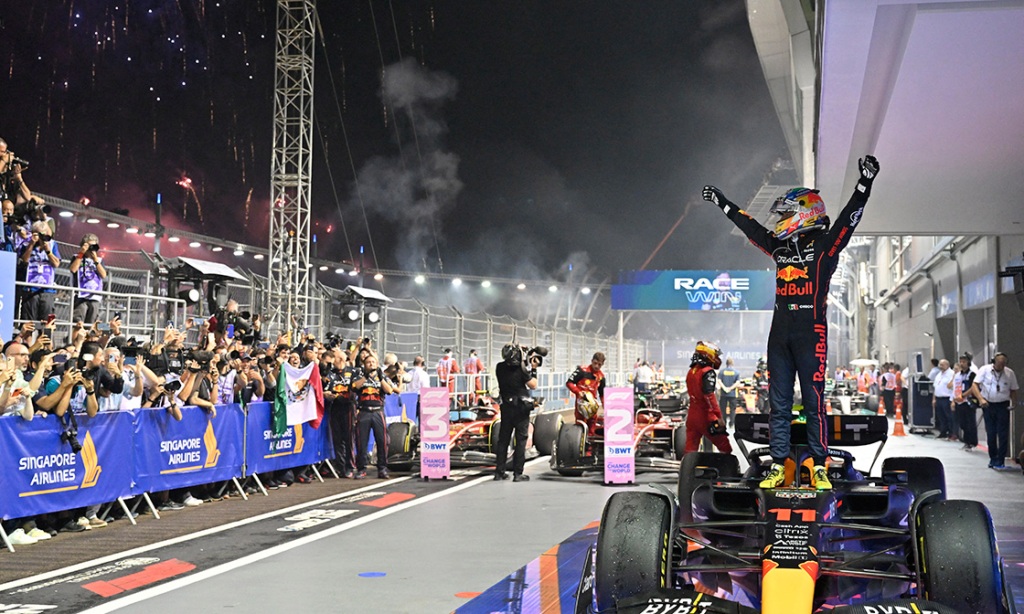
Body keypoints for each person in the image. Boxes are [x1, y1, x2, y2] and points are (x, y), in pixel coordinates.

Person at [703, 154, 879, 490]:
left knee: (814, 403)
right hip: (779, 336)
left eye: (786, 212)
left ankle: (818, 465)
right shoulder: (779, 248)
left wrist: (864, 183)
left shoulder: (826, 247)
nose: (781, 218)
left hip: (811, 334)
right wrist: (723, 204)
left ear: (805, 212)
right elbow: (751, 227)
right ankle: (779, 466)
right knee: (778, 406)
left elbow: (848, 221)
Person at [493, 344, 539, 482]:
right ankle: (518, 473)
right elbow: (534, 385)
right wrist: (534, 369)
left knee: (503, 440)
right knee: (520, 440)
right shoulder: (522, 370)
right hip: (521, 409)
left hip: (506, 407)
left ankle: (499, 472)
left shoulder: (499, 367)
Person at [971, 352, 1019, 469]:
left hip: (1003, 405)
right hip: (988, 404)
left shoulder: (1009, 373)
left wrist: (1014, 403)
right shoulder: (984, 370)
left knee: (1003, 433)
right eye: (999, 363)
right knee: (991, 433)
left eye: (1003, 363)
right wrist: (981, 399)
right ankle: (993, 458)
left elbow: (1013, 390)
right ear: (994, 362)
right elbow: (974, 385)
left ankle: (1000, 460)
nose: (1001, 365)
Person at [684, 341, 732, 455]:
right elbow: (709, 396)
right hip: (706, 415)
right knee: (725, 446)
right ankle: (727, 470)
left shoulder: (691, 371)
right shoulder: (707, 372)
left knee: (690, 450)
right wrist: (719, 417)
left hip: (691, 415)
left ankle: (687, 471)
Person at [352, 353, 394, 479]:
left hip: (377, 411)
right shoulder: (359, 375)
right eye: (369, 362)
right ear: (364, 364)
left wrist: (381, 378)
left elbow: (390, 391)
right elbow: (354, 387)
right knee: (361, 441)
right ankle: (361, 468)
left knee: (382, 441)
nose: (371, 364)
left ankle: (382, 468)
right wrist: (365, 376)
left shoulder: (381, 376)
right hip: (364, 411)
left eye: (373, 362)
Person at [18, 220, 61, 321]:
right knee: (28, 323)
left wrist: (48, 251)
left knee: (47, 323)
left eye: (45, 234)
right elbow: (24, 261)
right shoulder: (26, 244)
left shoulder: (53, 244)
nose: (42, 238)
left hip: (47, 289)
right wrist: (31, 244)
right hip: (30, 288)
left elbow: (56, 263)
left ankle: (44, 336)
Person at [566, 352, 606, 442]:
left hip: (593, 406)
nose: (596, 366)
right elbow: (569, 383)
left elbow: (602, 394)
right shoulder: (582, 370)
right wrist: (578, 392)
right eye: (595, 363)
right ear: (592, 361)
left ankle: (590, 449)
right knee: (580, 427)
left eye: (599, 364)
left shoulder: (601, 377)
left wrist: (605, 406)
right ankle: (578, 447)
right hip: (581, 404)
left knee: (592, 429)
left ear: (602, 365)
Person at [69, 233, 107, 324]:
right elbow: (73, 269)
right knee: (78, 323)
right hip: (80, 296)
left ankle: (90, 338)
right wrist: (81, 253)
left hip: (95, 296)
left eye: (93, 246)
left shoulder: (99, 260)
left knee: (92, 323)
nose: (90, 249)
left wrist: (95, 260)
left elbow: (103, 275)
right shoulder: (76, 257)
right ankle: (75, 338)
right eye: (89, 246)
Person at [951, 352, 981, 451]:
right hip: (959, 401)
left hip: (968, 401)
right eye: (960, 361)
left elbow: (974, 387)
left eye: (964, 362)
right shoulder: (957, 375)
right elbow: (955, 387)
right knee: (962, 423)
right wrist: (953, 400)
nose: (962, 363)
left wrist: (964, 395)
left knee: (970, 423)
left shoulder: (972, 374)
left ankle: (971, 442)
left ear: (968, 363)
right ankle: (966, 441)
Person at [931, 359, 955, 440]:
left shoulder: (951, 374)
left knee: (949, 416)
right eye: (939, 365)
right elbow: (935, 387)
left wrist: (953, 400)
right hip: (938, 398)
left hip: (947, 398)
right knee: (941, 417)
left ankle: (951, 433)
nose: (940, 366)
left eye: (942, 365)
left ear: (947, 365)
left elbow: (953, 388)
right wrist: (934, 399)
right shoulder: (939, 374)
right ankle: (943, 432)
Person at [717, 357, 741, 428]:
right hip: (733, 394)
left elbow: (719, 380)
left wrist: (724, 388)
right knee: (732, 409)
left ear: (726, 363)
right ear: (732, 363)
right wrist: (730, 388)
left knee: (723, 409)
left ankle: (724, 423)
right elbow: (737, 382)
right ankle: (731, 423)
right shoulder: (736, 372)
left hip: (723, 394)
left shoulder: (721, 371)